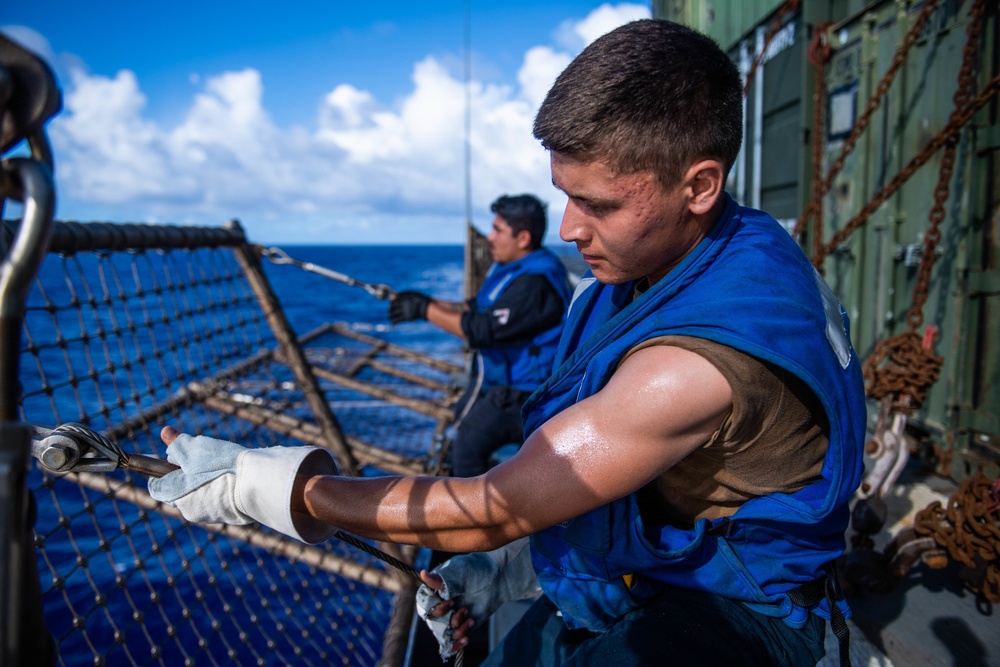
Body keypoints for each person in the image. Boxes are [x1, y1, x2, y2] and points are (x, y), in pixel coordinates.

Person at [148, 18, 867, 667]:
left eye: (598, 203)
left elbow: (496, 505)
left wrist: (277, 487)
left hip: (739, 616)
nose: (568, 228)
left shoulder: (687, 369)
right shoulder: (739, 248)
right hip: (662, 567)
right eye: (565, 193)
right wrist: (515, 568)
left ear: (700, 185)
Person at [388, 194, 572, 477]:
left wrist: (425, 311)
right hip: (501, 385)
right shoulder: (514, 271)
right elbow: (477, 309)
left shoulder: (534, 284)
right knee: (462, 411)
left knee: (468, 445)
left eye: (498, 230)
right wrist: (425, 302)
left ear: (522, 238)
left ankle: (472, 512)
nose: (489, 237)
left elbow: (484, 330)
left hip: (524, 396)